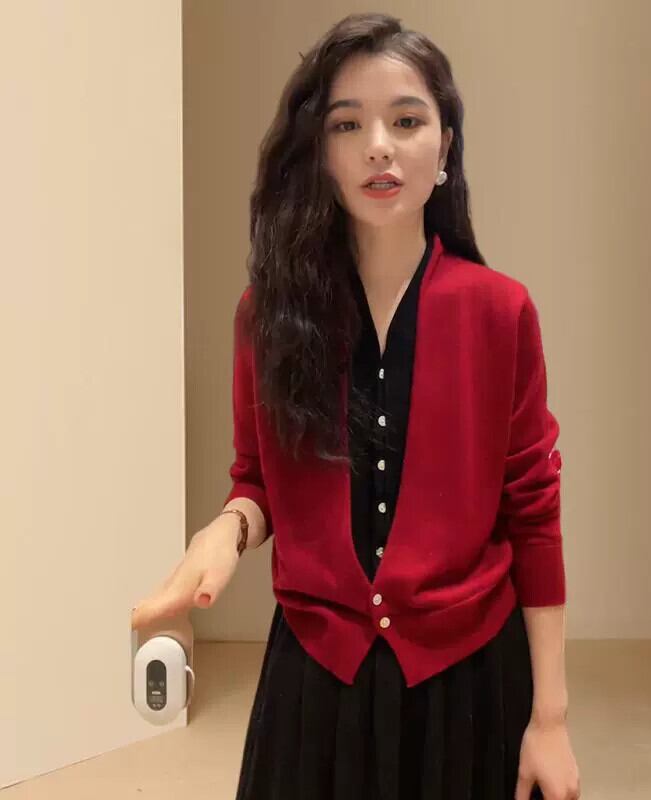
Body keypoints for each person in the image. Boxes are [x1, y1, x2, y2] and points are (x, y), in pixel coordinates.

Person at [131, 12, 580, 800]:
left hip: (467, 678)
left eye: (406, 120)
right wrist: (227, 531)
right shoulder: (265, 317)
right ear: (321, 153)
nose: (379, 145)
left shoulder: (500, 311)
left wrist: (550, 718)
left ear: (445, 146)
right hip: (316, 677)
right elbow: (258, 481)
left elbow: (533, 515)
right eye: (348, 124)